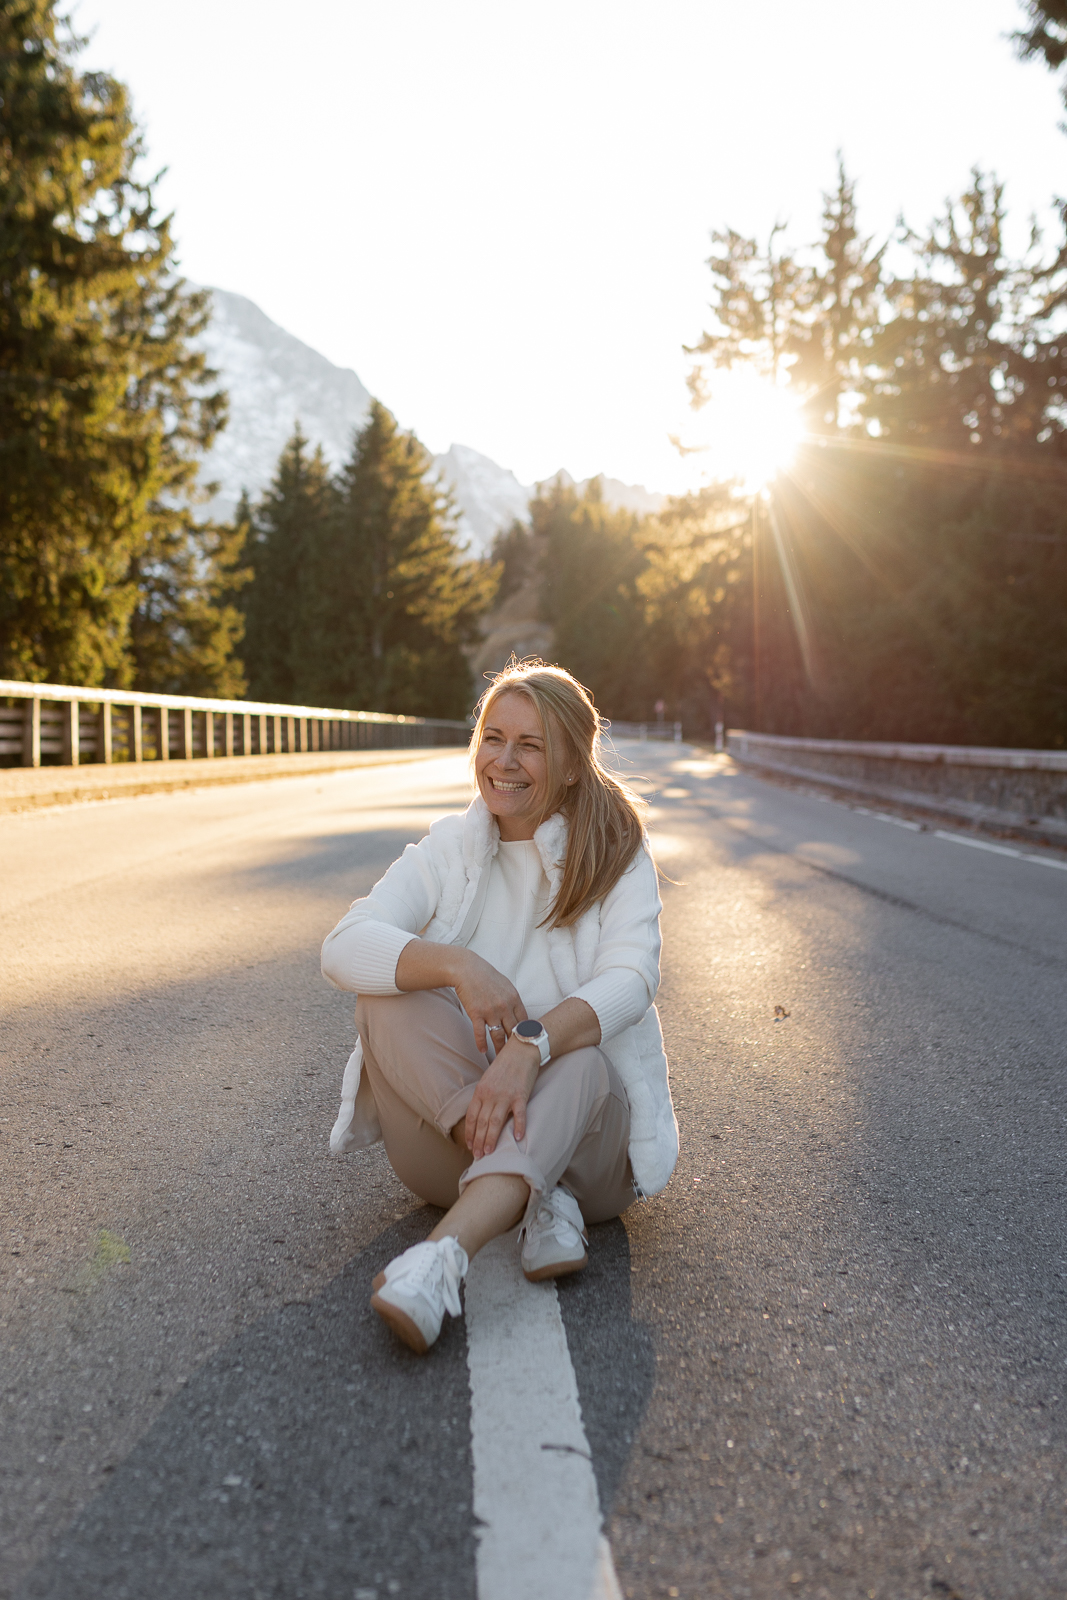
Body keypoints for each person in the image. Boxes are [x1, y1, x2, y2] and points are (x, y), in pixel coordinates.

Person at [321, 661, 678, 1354]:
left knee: (581, 1066)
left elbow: (633, 980)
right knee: (385, 996)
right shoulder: (451, 849)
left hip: (590, 1160)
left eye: (531, 745)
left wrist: (530, 1046)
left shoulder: (614, 851)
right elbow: (342, 945)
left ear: (572, 765)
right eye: (493, 737)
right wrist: (458, 966)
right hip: (454, 1144)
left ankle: (440, 1259)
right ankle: (535, 1197)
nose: (503, 762)